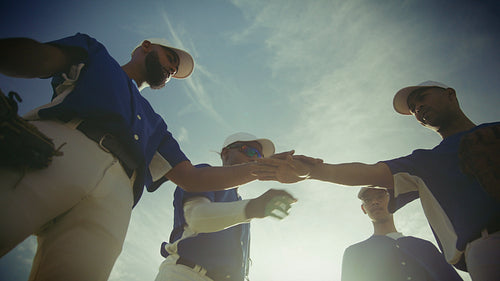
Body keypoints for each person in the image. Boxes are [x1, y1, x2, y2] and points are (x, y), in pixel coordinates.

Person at [0, 33, 306, 281]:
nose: (172, 69)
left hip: (118, 195)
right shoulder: (96, 56)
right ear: (146, 46)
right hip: (62, 147)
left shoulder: (157, 125)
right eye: (170, 58)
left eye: (175, 70)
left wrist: (266, 169)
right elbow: (40, 59)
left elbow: (192, 178)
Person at [261, 81, 500, 280]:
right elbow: (369, 172)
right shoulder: (424, 162)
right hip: (488, 247)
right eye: (414, 108)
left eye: (423, 98)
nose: (419, 108)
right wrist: (310, 172)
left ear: (450, 94)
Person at [154, 132, 296, 281]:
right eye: (249, 151)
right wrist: (253, 207)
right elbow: (197, 217)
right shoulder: (202, 174)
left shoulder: (239, 201)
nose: (254, 158)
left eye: (259, 157)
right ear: (226, 153)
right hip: (187, 273)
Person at [342, 186, 463, 281]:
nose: (375, 202)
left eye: (380, 196)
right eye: (368, 200)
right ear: (364, 208)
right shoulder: (354, 253)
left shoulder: (425, 247)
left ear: (393, 201)